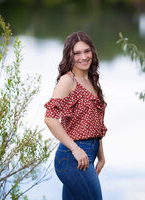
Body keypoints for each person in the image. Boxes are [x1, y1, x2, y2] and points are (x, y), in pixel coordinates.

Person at [44, 31, 107, 200]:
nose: (83, 57)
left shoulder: (92, 80)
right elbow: (50, 118)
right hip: (73, 157)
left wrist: (100, 156)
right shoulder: (68, 81)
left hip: (88, 154)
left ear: (92, 51)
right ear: (69, 56)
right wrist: (76, 149)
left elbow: (95, 122)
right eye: (77, 53)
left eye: (87, 51)